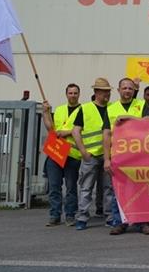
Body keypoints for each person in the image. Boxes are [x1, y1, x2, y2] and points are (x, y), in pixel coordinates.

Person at [104, 78, 149, 235]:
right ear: (118, 90)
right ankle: (120, 222)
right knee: (118, 191)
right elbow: (106, 134)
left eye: (130, 88)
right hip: (119, 155)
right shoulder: (110, 108)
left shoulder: (141, 105)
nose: (127, 91)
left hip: (139, 155)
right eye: (124, 88)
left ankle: (142, 223)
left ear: (134, 90)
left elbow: (148, 122)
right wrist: (107, 159)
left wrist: (129, 117)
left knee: (142, 189)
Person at [71, 78, 115, 230]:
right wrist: (83, 151)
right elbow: (75, 130)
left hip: (108, 155)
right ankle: (82, 217)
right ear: (96, 92)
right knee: (86, 187)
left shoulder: (112, 108)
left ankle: (109, 216)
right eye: (104, 92)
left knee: (109, 188)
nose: (107, 95)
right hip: (91, 156)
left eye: (109, 92)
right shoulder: (85, 108)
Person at [42, 85, 82, 227]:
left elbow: (84, 128)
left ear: (79, 94)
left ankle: (70, 215)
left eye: (75, 93)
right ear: (66, 94)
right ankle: (55, 215)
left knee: (71, 187)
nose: (73, 95)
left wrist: (68, 132)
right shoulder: (59, 110)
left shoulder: (83, 110)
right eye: (70, 93)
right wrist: (45, 113)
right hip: (56, 151)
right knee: (54, 186)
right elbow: (51, 129)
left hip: (72, 153)